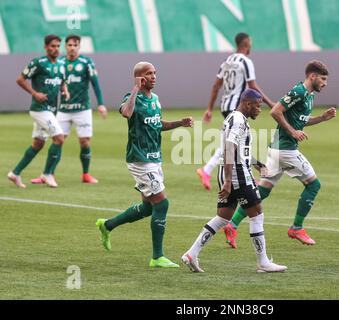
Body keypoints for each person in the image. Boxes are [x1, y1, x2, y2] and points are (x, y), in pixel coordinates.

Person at [223, 60, 336, 249]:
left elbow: (300, 121)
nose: (325, 83)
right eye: (323, 79)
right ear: (312, 76)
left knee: (263, 191)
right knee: (314, 185)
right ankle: (296, 228)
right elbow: (275, 111)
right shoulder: (299, 92)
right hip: (285, 150)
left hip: (277, 149)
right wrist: (292, 132)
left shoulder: (308, 96)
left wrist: (322, 118)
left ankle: (232, 225)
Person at [96, 62, 193, 268]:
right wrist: (134, 89)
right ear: (140, 77)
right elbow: (126, 113)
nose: (154, 76)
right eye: (149, 74)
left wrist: (179, 123)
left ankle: (107, 225)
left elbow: (158, 125)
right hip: (140, 160)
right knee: (162, 203)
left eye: (155, 73)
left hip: (154, 158)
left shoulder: (155, 100)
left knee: (149, 207)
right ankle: (157, 257)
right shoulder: (131, 97)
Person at [182, 89, 287, 273]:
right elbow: (230, 147)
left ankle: (192, 253)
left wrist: (257, 163)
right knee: (257, 213)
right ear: (247, 104)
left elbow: (239, 149)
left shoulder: (233, 117)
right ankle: (263, 262)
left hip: (228, 170)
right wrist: (230, 180)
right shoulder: (238, 120)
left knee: (223, 217)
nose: (259, 110)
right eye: (258, 106)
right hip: (236, 173)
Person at [196, 32, 274, 190]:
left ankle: (207, 170)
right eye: (250, 43)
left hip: (225, 106)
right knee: (237, 142)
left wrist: (209, 108)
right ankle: (249, 173)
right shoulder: (245, 61)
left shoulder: (227, 61)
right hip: (237, 107)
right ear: (246, 44)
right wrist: (270, 102)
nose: (251, 46)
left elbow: (216, 86)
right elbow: (252, 86)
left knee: (230, 142)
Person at [31, 34, 108, 185]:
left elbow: (95, 83)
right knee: (58, 140)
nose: (72, 48)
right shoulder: (59, 63)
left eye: (75, 45)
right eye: (70, 45)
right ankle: (47, 173)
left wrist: (100, 103)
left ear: (79, 47)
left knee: (85, 142)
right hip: (63, 110)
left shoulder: (86, 62)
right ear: (65, 47)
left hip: (82, 109)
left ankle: (86, 174)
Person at [7, 34, 69, 188]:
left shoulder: (61, 63)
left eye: (57, 46)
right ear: (46, 47)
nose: (55, 49)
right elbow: (20, 79)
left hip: (52, 109)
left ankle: (15, 173)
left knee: (38, 143)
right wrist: (35, 93)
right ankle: (47, 174)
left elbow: (62, 81)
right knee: (59, 138)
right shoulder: (38, 62)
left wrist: (65, 90)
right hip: (40, 109)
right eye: (52, 46)